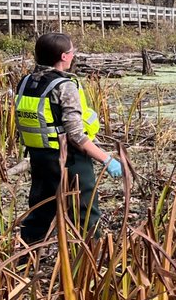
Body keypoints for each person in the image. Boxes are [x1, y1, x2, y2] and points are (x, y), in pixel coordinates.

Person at [15, 32, 122, 243]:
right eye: (72, 51)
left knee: (39, 213)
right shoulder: (64, 86)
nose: (74, 55)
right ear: (64, 57)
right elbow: (75, 136)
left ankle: (25, 263)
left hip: (39, 158)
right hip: (69, 161)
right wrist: (106, 159)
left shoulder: (26, 82)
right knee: (86, 215)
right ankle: (91, 263)